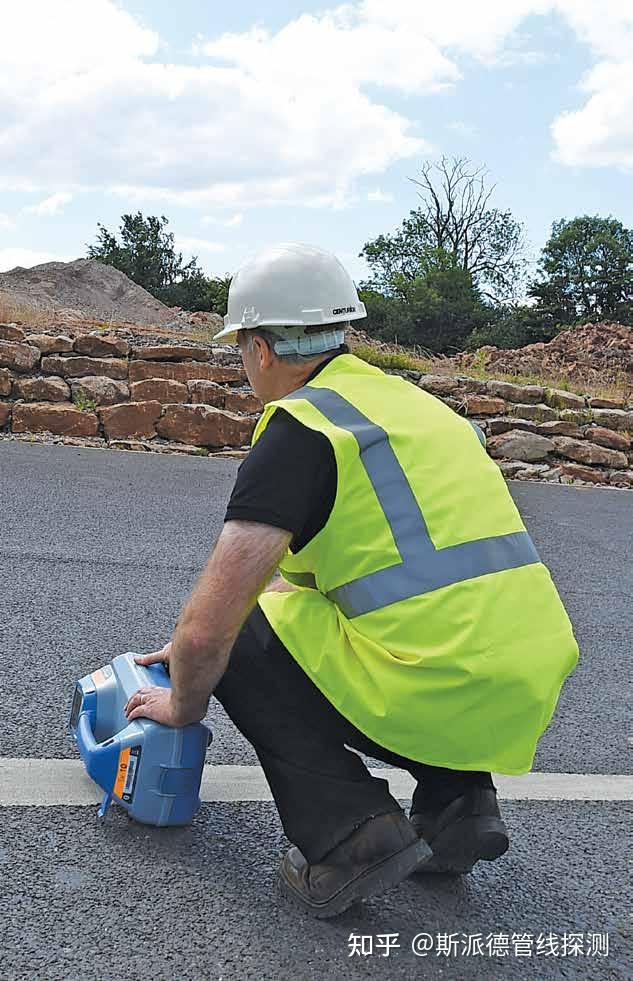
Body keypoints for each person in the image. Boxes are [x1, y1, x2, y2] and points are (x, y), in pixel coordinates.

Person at [124, 243, 579, 918]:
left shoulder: (301, 427)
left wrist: (184, 701)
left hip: (432, 685)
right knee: (381, 632)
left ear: (261, 348)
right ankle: (458, 803)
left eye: (240, 349)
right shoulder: (420, 410)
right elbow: (340, 590)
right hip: (521, 687)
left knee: (237, 639)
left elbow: (209, 628)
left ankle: (348, 834)